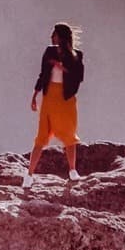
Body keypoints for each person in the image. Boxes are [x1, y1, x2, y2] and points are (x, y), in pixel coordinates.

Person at [22, 22, 84, 189]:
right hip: (49, 97)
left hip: (66, 99)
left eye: (54, 34)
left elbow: (79, 77)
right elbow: (43, 74)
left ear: (61, 36)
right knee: (42, 135)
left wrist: (63, 68)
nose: (51, 36)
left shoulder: (76, 55)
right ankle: (29, 175)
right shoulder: (49, 51)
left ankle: (72, 170)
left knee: (69, 134)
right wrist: (35, 95)